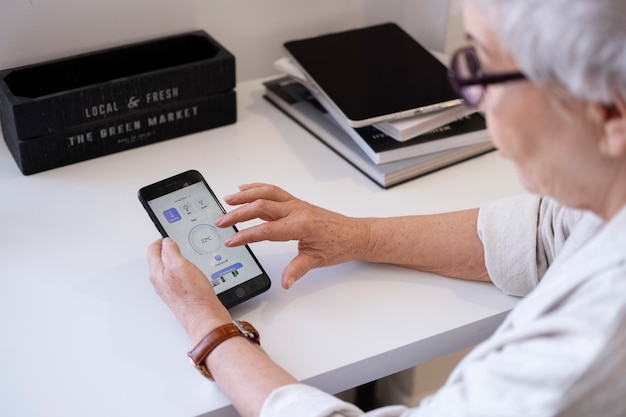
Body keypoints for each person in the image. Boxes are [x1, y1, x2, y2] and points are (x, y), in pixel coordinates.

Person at [146, 0, 626, 415]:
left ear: (609, 113)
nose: (471, 96)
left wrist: (210, 329)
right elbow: (544, 234)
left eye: (484, 67)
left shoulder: (594, 337)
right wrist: (356, 235)